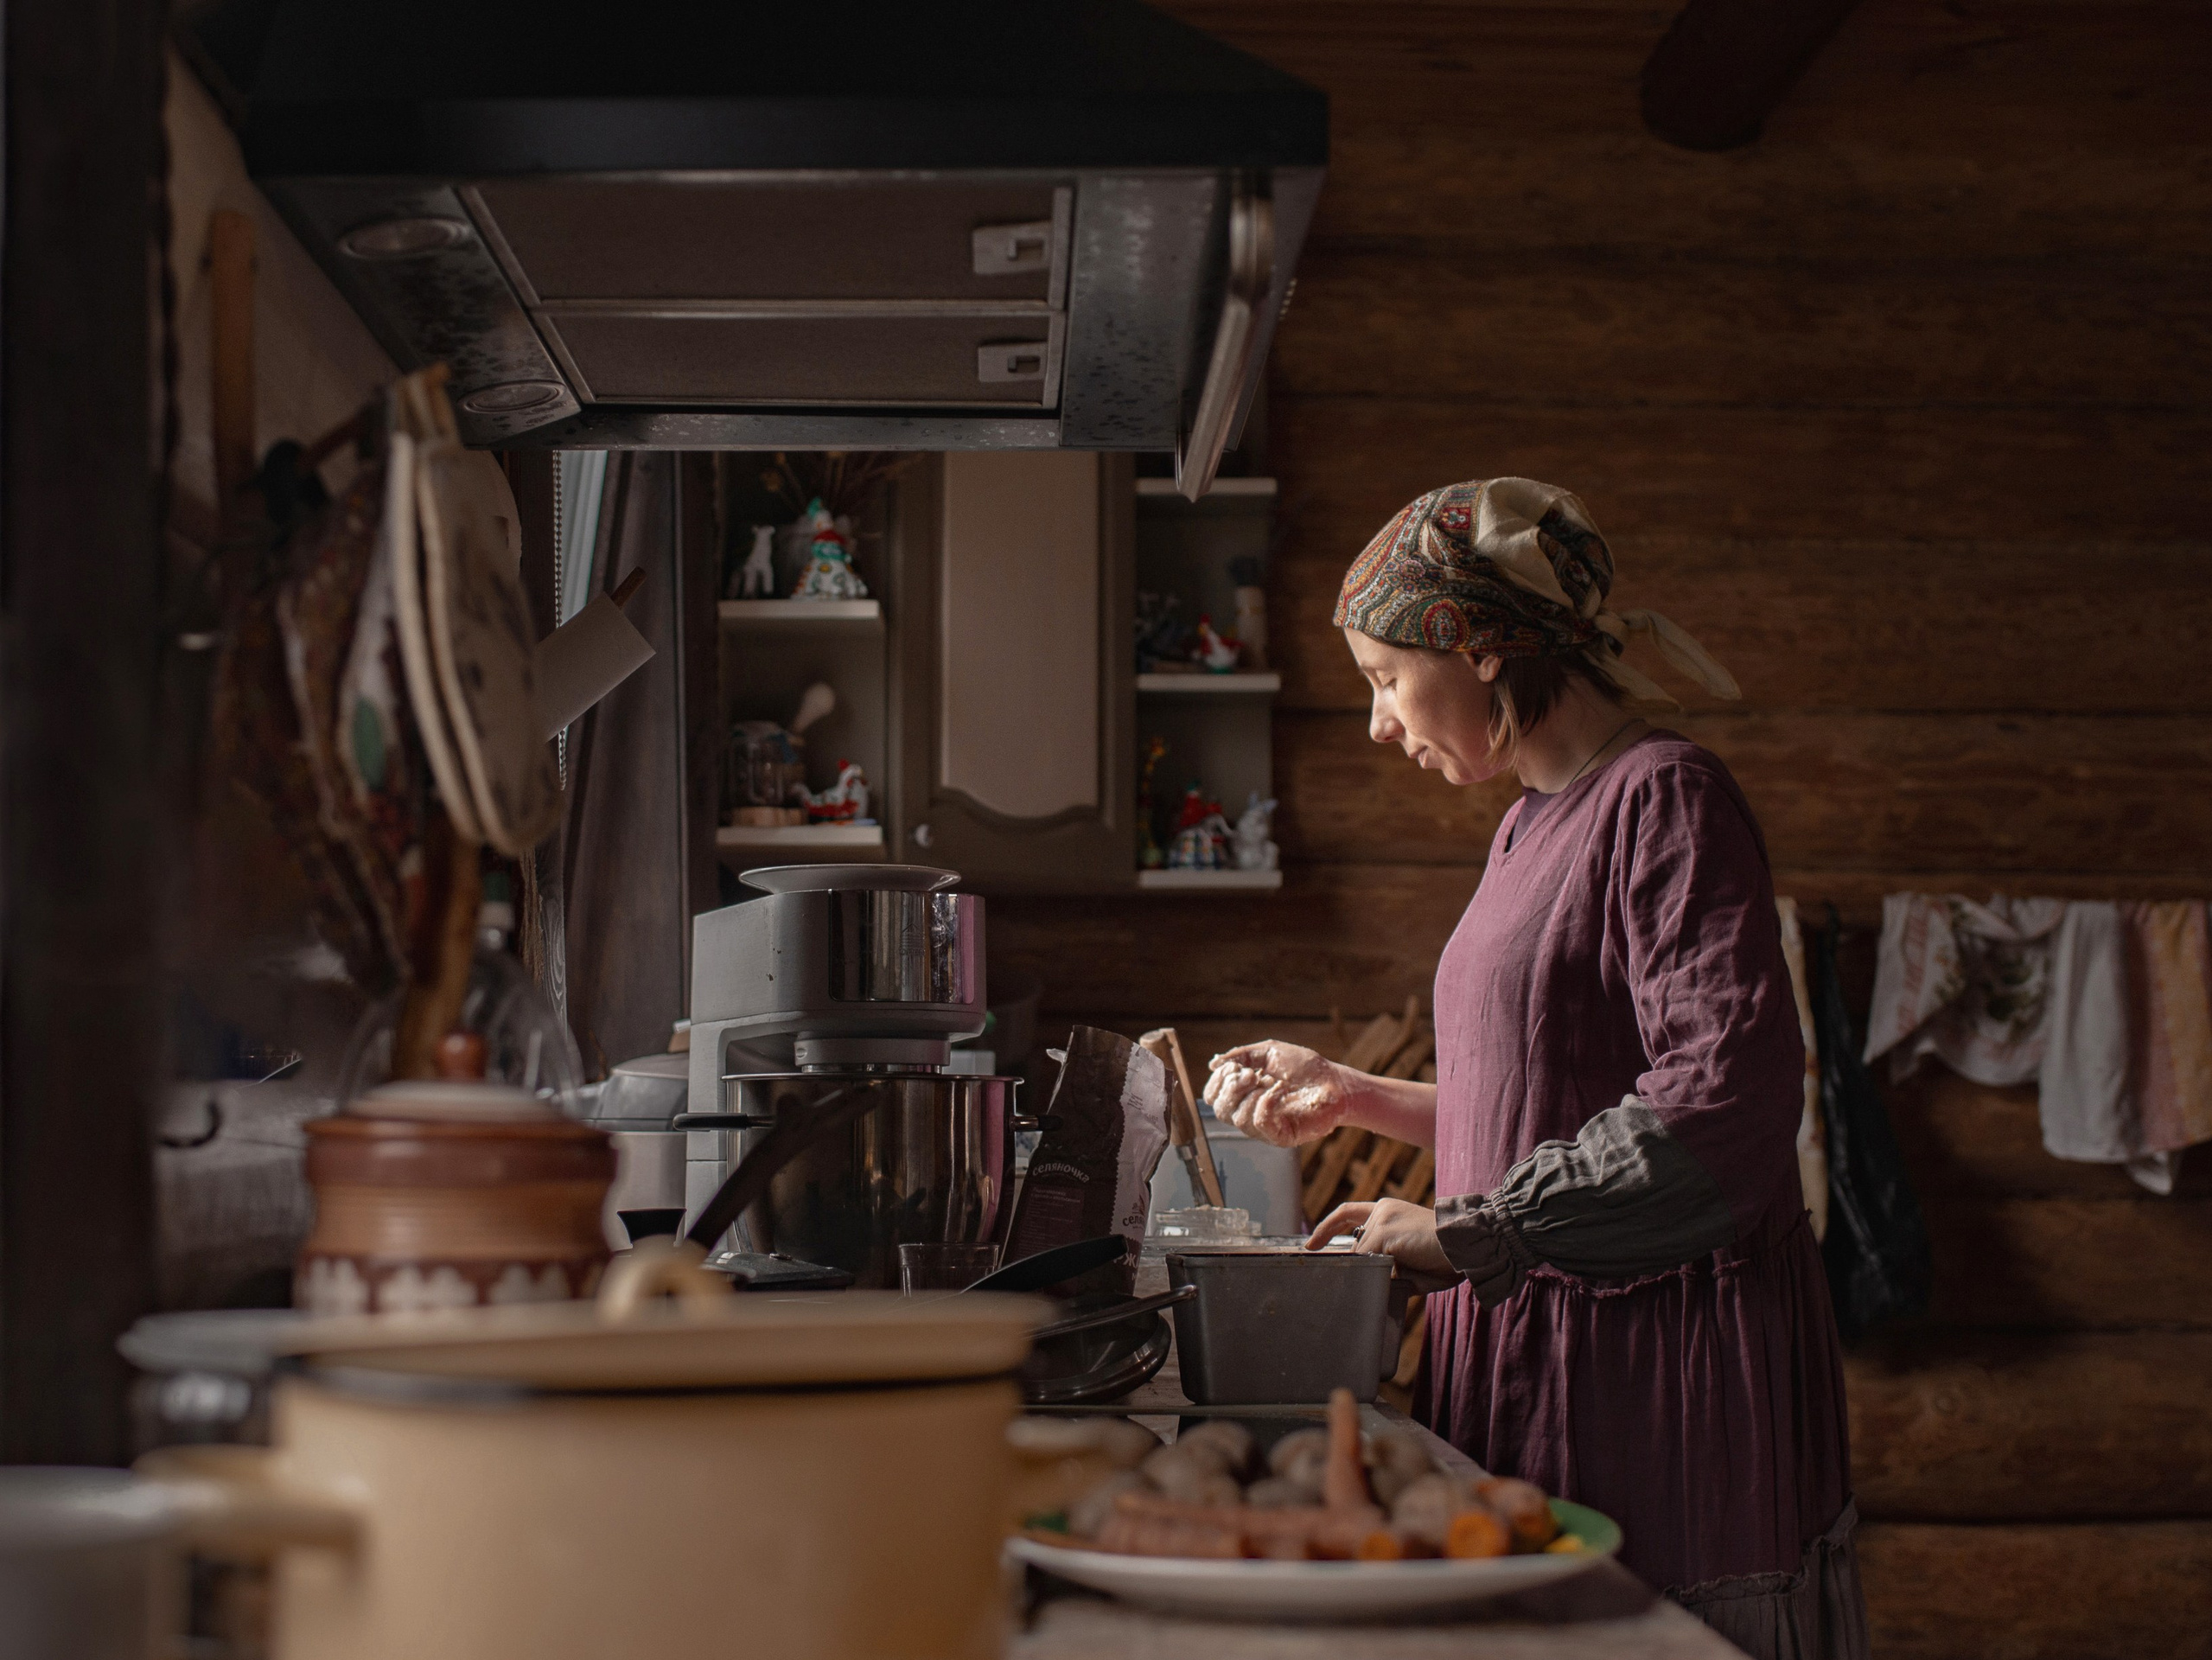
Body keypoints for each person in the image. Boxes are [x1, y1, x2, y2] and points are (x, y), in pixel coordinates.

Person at [1204, 478, 1866, 1660]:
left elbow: (1724, 1103)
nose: (1377, 721)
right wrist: (1356, 1097)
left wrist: (1475, 1231)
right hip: (1537, 1360)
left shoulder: (1665, 799)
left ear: (1486, 649)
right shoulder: (1527, 824)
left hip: (1656, 1390)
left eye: (1384, 677)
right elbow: (1552, 1097)